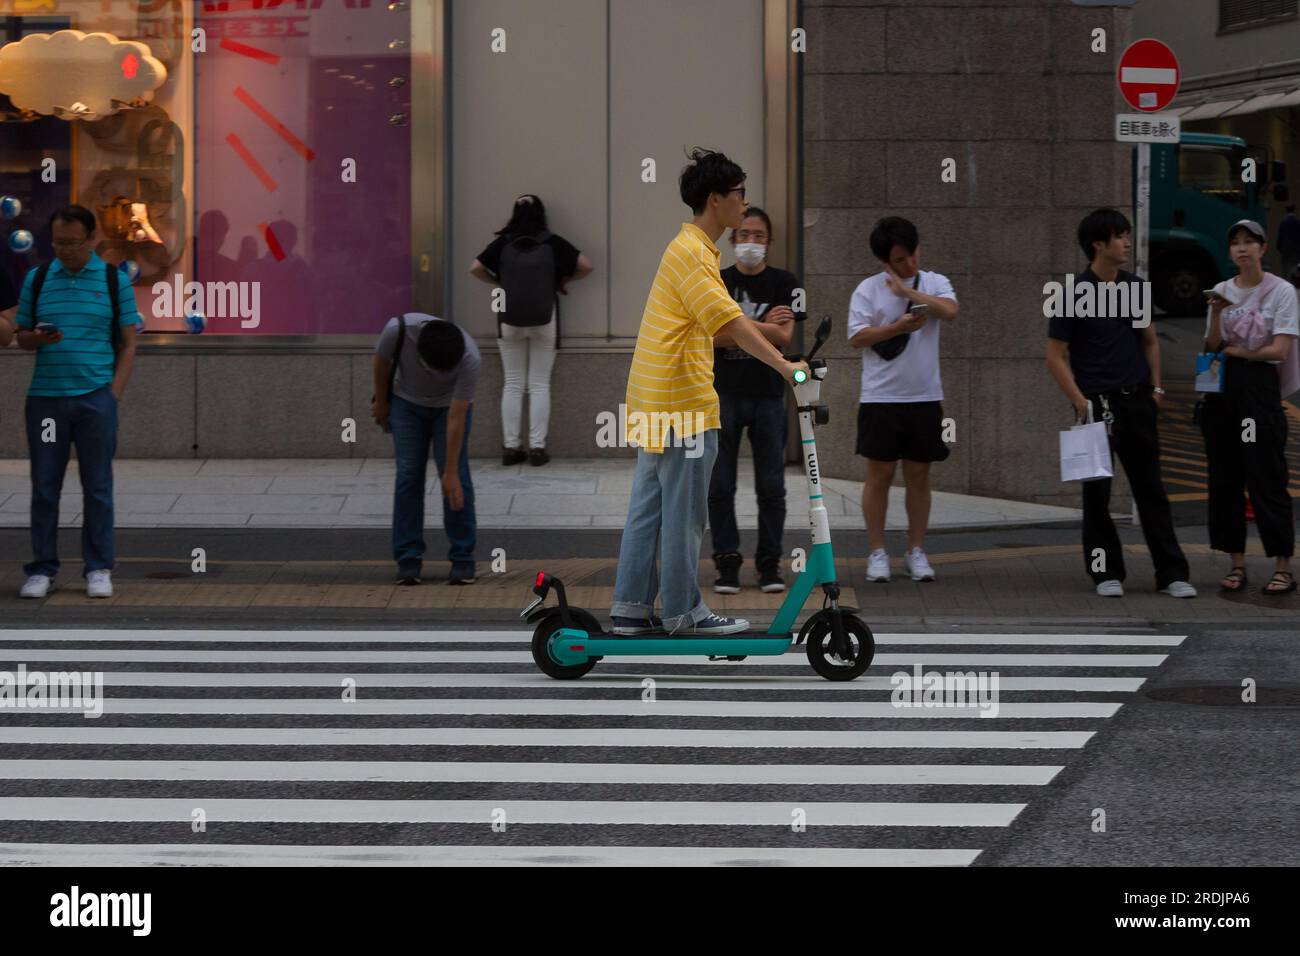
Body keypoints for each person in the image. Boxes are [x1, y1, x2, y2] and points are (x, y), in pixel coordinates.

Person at [609, 148, 808, 637]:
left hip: (655, 399)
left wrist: (769, 348)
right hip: (682, 406)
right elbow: (733, 324)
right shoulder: (695, 254)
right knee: (684, 515)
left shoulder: (685, 250)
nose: (745, 203)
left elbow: (715, 327)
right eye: (739, 193)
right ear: (716, 199)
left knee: (649, 509)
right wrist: (786, 366)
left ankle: (631, 608)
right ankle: (683, 612)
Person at [1045, 208, 1196, 599]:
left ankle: (1172, 573)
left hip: (1137, 400)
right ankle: (1104, 572)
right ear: (1099, 244)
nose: (1128, 243)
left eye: (1127, 236)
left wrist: (1157, 390)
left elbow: (1149, 340)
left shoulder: (1134, 288)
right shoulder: (1073, 293)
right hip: (1095, 405)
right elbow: (1054, 355)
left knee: (1152, 490)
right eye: (1121, 236)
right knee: (1097, 495)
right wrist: (1079, 401)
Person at [14, 205, 142, 599]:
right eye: (58, 242)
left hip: (95, 399)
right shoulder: (37, 279)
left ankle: (99, 566)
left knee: (98, 486)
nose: (64, 250)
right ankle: (42, 568)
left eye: (72, 243)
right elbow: (21, 337)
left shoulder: (110, 279)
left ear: (91, 240)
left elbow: (129, 343)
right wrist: (37, 338)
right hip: (46, 401)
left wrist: (113, 393)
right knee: (44, 486)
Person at [847, 216, 958, 583]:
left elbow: (951, 310)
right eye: (900, 260)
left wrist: (910, 294)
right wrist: (897, 327)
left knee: (919, 475)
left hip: (925, 396)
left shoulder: (935, 282)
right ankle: (877, 552)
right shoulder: (867, 290)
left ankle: (916, 551)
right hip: (881, 397)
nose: (909, 264)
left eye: (912, 255)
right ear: (885, 261)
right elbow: (857, 338)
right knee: (879, 475)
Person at [708, 206, 803, 594]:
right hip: (722, 394)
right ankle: (726, 562)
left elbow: (785, 339)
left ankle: (769, 563)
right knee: (719, 485)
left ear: (770, 242)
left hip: (768, 396)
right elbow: (708, 335)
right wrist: (764, 327)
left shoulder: (786, 282)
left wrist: (735, 326)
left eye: (759, 236)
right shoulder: (715, 279)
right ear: (732, 242)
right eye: (744, 235)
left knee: (771, 486)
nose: (751, 243)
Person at [1200, 219, 1298, 595]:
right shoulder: (1222, 290)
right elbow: (1210, 346)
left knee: (1267, 476)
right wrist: (1216, 313)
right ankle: (1236, 563)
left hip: (1258, 388)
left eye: (1249, 242)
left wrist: (1238, 351)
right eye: (1235, 243)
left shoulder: (1281, 291)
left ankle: (1283, 566)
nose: (1242, 249)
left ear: (1262, 247)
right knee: (1225, 478)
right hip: (1223, 388)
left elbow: (1280, 349)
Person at [470, 195, 593, 466]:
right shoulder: (551, 242)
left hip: (509, 320)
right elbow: (587, 265)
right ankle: (537, 448)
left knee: (513, 383)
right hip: (544, 320)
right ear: (541, 214)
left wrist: (497, 282)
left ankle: (511, 448)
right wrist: (563, 279)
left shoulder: (503, 243)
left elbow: (475, 267)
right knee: (539, 384)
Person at [372, 313, 480, 586]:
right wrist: (382, 402)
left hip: (447, 410)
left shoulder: (470, 359)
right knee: (408, 475)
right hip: (406, 404)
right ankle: (408, 559)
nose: (439, 377)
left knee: (457, 482)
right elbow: (381, 363)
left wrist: (450, 471)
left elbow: (457, 415)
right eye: (433, 370)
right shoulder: (396, 331)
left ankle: (462, 558)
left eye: (446, 373)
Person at [1276, 204, 1300, 281]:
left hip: (1285, 247)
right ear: (1294, 211)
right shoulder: (1297, 222)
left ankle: (1285, 280)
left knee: (1285, 265)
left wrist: (1279, 247)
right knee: (1293, 265)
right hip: (1295, 247)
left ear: (1286, 211)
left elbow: (1280, 235)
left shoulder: (1283, 222)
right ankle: (1292, 280)